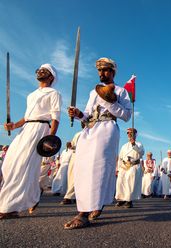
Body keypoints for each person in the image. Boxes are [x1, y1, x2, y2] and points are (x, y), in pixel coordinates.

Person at [64, 57, 131, 229]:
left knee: (98, 168)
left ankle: (83, 213)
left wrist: (110, 102)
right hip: (89, 130)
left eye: (106, 70)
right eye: (100, 70)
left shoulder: (121, 91)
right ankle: (95, 203)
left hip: (107, 129)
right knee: (83, 168)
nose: (102, 73)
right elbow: (87, 114)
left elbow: (126, 115)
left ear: (113, 72)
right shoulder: (93, 92)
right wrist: (78, 113)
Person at [0, 64, 61, 219]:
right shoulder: (31, 94)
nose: (40, 71)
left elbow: (55, 117)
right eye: (39, 69)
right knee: (9, 164)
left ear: (51, 77)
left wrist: (50, 138)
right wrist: (13, 126)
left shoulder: (54, 93)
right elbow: (27, 117)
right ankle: (34, 194)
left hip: (40, 130)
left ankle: (8, 207)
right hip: (25, 129)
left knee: (21, 166)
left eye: (45, 70)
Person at [115, 128, 144, 208]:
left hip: (133, 166)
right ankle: (121, 199)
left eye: (131, 133)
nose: (130, 134)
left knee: (129, 183)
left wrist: (134, 144)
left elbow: (141, 153)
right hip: (124, 166)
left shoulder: (139, 144)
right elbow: (120, 157)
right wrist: (117, 169)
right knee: (120, 182)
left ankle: (129, 200)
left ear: (135, 134)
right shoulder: (124, 146)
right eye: (128, 133)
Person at [60, 129, 82, 205]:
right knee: (72, 176)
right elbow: (73, 145)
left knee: (78, 177)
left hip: (82, 156)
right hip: (75, 155)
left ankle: (69, 197)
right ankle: (73, 196)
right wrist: (70, 145)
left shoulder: (89, 133)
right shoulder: (78, 133)